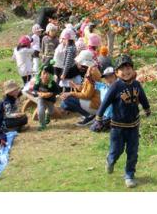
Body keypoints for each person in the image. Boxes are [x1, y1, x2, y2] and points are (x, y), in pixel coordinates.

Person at [96, 55, 151, 189]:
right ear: (116, 72)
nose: (126, 72)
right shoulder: (115, 87)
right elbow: (106, 102)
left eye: (128, 69)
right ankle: (110, 160)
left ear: (132, 70)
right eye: (122, 70)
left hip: (133, 126)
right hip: (117, 127)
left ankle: (129, 175)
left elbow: (142, 98)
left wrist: (147, 108)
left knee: (133, 151)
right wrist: (99, 116)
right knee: (117, 150)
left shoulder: (137, 85)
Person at [60, 50, 101, 127]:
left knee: (67, 101)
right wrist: (75, 86)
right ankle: (89, 114)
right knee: (65, 102)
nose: (77, 64)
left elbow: (86, 95)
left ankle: (90, 116)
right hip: (95, 102)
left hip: (94, 104)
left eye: (79, 63)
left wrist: (70, 93)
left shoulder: (90, 75)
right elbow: (86, 89)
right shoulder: (91, 70)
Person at [31, 62, 61, 131]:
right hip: (41, 98)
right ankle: (42, 124)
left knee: (51, 111)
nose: (45, 75)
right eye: (43, 73)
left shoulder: (53, 83)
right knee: (40, 110)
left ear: (51, 75)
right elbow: (34, 90)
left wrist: (51, 93)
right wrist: (39, 93)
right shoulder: (38, 82)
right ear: (40, 74)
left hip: (50, 100)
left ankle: (48, 115)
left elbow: (58, 91)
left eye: (47, 74)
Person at [90, 66, 117, 132]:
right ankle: (108, 125)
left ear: (116, 76)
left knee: (94, 128)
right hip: (104, 114)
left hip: (114, 116)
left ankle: (111, 126)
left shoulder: (119, 87)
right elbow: (91, 82)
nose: (109, 79)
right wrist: (89, 72)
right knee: (93, 124)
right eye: (106, 77)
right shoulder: (102, 86)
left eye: (111, 76)